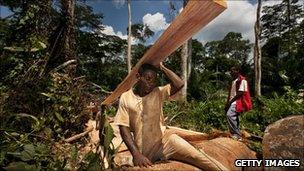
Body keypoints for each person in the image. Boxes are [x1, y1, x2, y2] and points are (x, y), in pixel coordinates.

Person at [114, 63, 227, 170]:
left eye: (154, 81)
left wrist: (162, 68)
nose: (151, 84)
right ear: (138, 76)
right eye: (148, 79)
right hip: (144, 150)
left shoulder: (158, 92)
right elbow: (124, 127)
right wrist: (136, 154)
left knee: (198, 157)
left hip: (165, 141)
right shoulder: (126, 97)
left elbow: (179, 84)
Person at [225, 66, 252, 141]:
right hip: (232, 101)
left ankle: (236, 134)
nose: (231, 72)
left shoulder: (242, 80)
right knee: (234, 117)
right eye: (230, 71)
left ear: (238, 71)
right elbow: (230, 94)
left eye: (233, 70)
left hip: (238, 101)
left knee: (229, 115)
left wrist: (230, 102)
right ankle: (235, 133)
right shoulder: (233, 81)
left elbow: (241, 92)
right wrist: (227, 103)